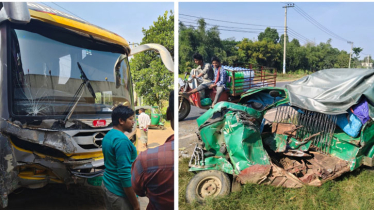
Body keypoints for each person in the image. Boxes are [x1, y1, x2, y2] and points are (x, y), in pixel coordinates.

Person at [131, 90, 174, 210]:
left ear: (169, 114)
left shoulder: (144, 160)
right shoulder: (147, 116)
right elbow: (149, 122)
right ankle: (145, 144)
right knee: (145, 137)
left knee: (143, 138)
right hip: (146, 128)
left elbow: (138, 190)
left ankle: (144, 145)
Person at [101, 105, 139, 210]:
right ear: (121, 121)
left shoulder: (109, 135)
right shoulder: (121, 141)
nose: (133, 122)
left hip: (108, 184)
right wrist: (136, 205)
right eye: (131, 119)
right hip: (119, 192)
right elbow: (124, 176)